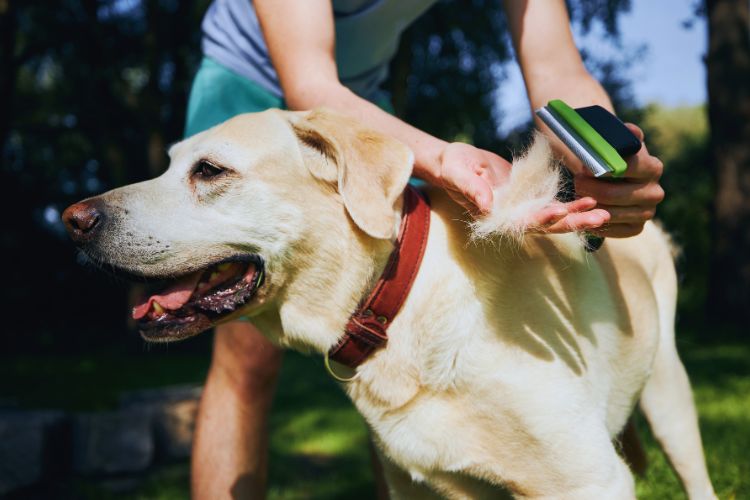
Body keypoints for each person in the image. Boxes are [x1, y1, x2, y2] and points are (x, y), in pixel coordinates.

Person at [185, 0, 665, 497]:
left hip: (360, 102)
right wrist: (442, 158)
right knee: (248, 355)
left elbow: (555, 68)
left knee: (392, 333)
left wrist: (606, 164)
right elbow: (309, 83)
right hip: (248, 83)